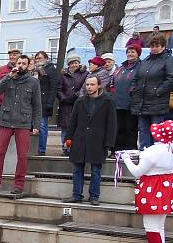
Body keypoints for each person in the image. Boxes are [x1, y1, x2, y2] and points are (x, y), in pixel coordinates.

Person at [121, 120, 173, 243]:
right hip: (166, 186)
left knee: (151, 225)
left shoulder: (153, 152)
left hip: (153, 187)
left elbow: (137, 172)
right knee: (159, 225)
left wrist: (126, 158)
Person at [0, 55, 41, 194]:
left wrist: (36, 124)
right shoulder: (9, 78)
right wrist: (9, 77)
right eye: (19, 63)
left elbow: (37, 105)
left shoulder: (33, 82)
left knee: (22, 155)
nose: (21, 65)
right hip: (6, 120)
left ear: (28, 66)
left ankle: (19, 185)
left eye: (24, 63)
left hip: (23, 122)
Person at [62, 75, 117, 205]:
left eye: (92, 84)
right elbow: (73, 121)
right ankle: (77, 195)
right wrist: (68, 138)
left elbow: (112, 124)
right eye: (87, 85)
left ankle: (94, 196)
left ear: (98, 85)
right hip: (80, 139)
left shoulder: (108, 101)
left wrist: (109, 144)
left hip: (98, 140)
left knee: (96, 170)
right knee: (77, 169)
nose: (89, 87)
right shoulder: (80, 101)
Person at [132, 35, 173, 150]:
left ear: (163, 47)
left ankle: (157, 154)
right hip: (142, 101)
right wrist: (133, 89)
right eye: (152, 46)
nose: (154, 48)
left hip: (157, 102)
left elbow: (171, 79)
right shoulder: (146, 60)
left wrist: (158, 92)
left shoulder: (169, 60)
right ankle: (144, 152)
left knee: (156, 130)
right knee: (143, 129)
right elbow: (136, 77)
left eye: (157, 46)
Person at [112, 46, 142, 151]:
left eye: (133, 52)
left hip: (131, 103)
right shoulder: (121, 68)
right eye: (128, 52)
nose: (130, 54)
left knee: (130, 128)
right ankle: (117, 149)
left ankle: (130, 150)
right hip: (118, 103)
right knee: (119, 128)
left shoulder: (141, 67)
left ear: (138, 54)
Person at [57, 55, 86, 155]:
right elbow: (59, 89)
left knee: (77, 127)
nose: (74, 65)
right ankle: (65, 148)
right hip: (65, 105)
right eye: (72, 63)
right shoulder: (63, 75)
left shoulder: (84, 74)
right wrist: (63, 98)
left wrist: (75, 96)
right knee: (65, 128)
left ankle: (75, 148)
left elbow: (84, 87)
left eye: (76, 62)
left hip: (78, 103)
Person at [34, 51, 59, 155]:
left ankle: (41, 149)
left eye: (40, 58)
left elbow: (53, 87)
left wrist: (50, 103)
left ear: (46, 58)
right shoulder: (35, 70)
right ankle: (35, 147)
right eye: (37, 58)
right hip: (35, 100)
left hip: (44, 101)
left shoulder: (50, 69)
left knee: (43, 125)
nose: (38, 60)